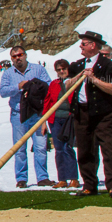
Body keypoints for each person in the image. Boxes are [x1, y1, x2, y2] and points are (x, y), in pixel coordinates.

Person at [65, 31, 112, 198]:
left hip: (103, 114)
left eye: (84, 43)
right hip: (82, 113)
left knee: (108, 149)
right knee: (84, 150)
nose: (80, 46)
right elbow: (67, 85)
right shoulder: (77, 65)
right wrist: (79, 76)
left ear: (93, 45)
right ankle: (89, 185)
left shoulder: (109, 65)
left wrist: (94, 79)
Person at [0, 45, 53, 188]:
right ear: (11, 59)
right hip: (19, 115)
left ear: (25, 55)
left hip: (37, 114)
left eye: (20, 55)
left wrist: (34, 87)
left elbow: (49, 86)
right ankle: (21, 179)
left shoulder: (38, 69)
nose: (18, 58)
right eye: (14, 56)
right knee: (19, 148)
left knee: (40, 147)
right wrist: (18, 86)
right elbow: (3, 91)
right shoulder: (8, 73)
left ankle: (42, 177)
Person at [40, 60, 79, 189]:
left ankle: (73, 178)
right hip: (55, 119)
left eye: (64, 69)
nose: (61, 71)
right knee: (59, 149)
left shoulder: (74, 82)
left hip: (69, 119)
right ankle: (62, 179)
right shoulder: (54, 84)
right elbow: (47, 102)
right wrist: (44, 121)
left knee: (68, 148)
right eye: (59, 69)